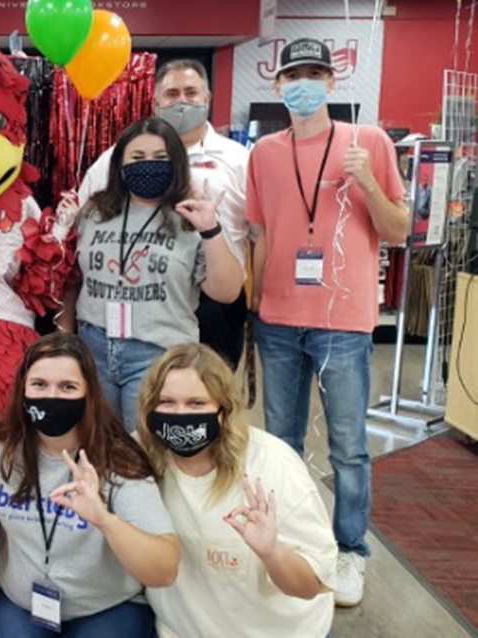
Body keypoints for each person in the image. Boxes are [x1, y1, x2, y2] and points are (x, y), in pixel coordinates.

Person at [246, 38, 408, 607]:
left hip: (344, 321)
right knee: (280, 441)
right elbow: (261, 234)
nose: (304, 84)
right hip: (278, 319)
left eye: (315, 74)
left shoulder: (369, 142)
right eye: (294, 75)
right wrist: (252, 308)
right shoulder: (264, 152)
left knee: (347, 445)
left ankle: (350, 551)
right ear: (278, 84)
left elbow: (398, 230)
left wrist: (365, 181)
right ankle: (286, 540)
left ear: (333, 84)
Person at [0, 332, 180, 638]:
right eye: (39, 385)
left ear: (89, 395)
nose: (51, 396)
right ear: (22, 389)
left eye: (68, 387)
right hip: (20, 602)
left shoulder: (118, 459)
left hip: (104, 606)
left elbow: (164, 569)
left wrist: (104, 520)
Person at [136, 343, 336, 638]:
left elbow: (310, 586)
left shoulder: (272, 467)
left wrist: (271, 553)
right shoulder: (141, 457)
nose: (180, 415)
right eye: (167, 402)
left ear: (224, 411)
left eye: (196, 404)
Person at [60, 117, 245, 432]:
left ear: (176, 162)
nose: (149, 166)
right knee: (102, 447)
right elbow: (74, 278)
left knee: (148, 452)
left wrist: (210, 229)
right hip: (94, 346)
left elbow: (226, 292)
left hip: (159, 353)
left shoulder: (191, 216)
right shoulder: (94, 211)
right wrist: (65, 332)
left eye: (161, 159)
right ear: (120, 163)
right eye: (137, 158)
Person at [79, 59, 250, 369]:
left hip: (214, 293)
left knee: (207, 397)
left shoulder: (239, 159)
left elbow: (258, 233)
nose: (181, 101)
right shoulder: (111, 159)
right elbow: (85, 223)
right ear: (156, 100)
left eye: (190, 92)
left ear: (207, 97)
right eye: (172, 94)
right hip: (130, 305)